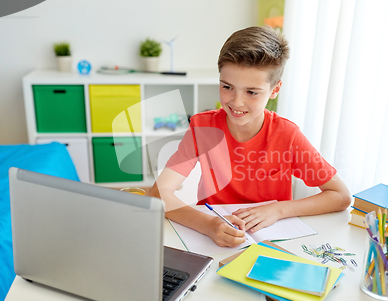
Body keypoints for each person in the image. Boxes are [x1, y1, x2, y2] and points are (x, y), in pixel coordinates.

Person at [150, 26, 351, 247]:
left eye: (251, 92)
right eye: (227, 87)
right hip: (212, 239)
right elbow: (159, 193)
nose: (236, 102)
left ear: (275, 90)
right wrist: (207, 225)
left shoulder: (287, 135)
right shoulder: (202, 127)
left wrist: (278, 209)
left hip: (274, 241)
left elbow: (340, 195)